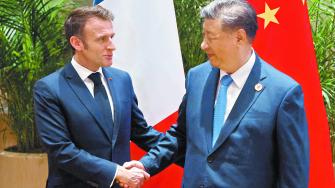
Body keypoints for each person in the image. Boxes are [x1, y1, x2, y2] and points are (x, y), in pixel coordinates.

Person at [123, 0, 310, 187]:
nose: (203, 45)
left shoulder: (283, 93)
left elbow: (293, 174)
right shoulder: (197, 77)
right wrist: (145, 165)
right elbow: (180, 135)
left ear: (239, 37)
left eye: (210, 37)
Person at [33, 6, 164, 188]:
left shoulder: (122, 79)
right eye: (102, 39)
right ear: (77, 43)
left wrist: (189, 148)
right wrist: (116, 173)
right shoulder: (49, 88)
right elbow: (61, 150)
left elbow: (141, 132)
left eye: (112, 37)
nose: (112, 45)